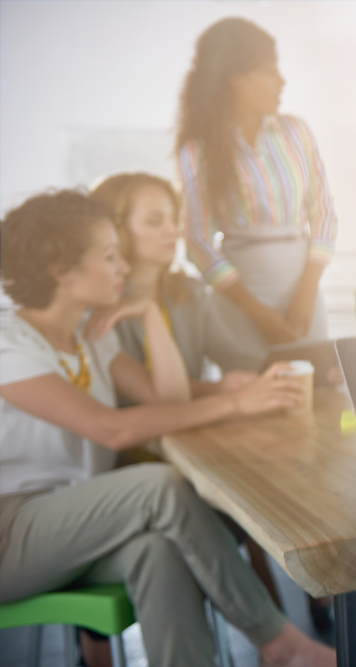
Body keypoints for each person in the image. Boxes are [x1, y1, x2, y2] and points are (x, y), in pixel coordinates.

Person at [0, 190, 338, 667]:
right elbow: (112, 430)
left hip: (72, 525)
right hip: (11, 536)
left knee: (158, 552)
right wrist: (235, 402)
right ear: (61, 270)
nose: (122, 266)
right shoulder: (9, 345)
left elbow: (170, 400)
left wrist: (150, 314)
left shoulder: (89, 336)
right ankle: (279, 642)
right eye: (109, 256)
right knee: (160, 485)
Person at [176, 17, 337, 373]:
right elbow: (197, 241)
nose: (282, 81)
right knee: (251, 389)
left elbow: (324, 214)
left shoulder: (296, 132)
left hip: (303, 287)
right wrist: (256, 312)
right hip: (241, 298)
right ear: (235, 78)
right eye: (269, 71)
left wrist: (306, 294)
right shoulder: (197, 151)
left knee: (319, 385)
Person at [90, 172, 256, 398]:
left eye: (174, 219)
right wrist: (216, 389)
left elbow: (241, 360)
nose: (173, 231)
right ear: (116, 230)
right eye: (155, 221)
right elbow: (134, 396)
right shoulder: (97, 304)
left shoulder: (190, 291)